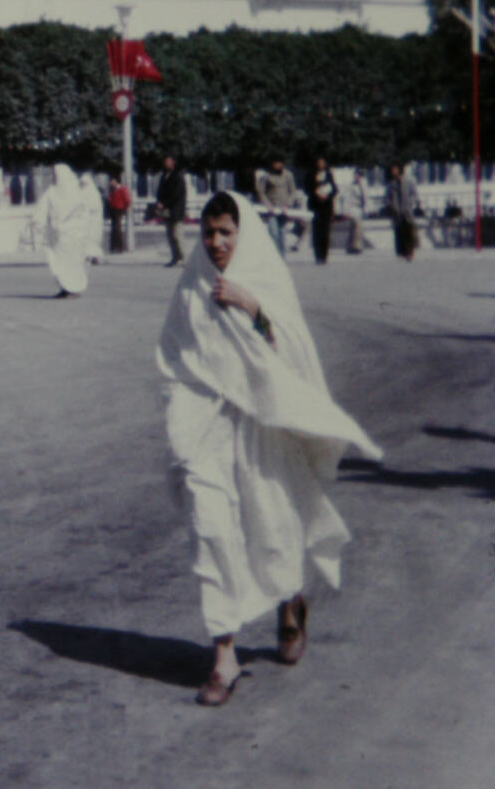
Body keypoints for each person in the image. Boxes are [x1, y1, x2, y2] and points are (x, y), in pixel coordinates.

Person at [157, 192, 381, 707]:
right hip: (207, 428)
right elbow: (172, 351)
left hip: (261, 429)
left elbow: (293, 350)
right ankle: (224, 657)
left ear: (243, 233)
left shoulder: (264, 278)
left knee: (271, 526)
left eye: (226, 233)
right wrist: (181, 415)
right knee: (212, 528)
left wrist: (253, 306)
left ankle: (290, 601)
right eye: (209, 233)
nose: (215, 243)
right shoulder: (191, 282)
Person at [40, 164, 94, 296]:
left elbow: (83, 212)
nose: (53, 177)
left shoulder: (75, 191)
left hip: (73, 234)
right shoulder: (52, 191)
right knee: (59, 263)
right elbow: (42, 208)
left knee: (73, 263)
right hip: (58, 235)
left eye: (55, 174)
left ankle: (74, 288)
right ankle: (65, 287)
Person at [255, 157, 299, 256]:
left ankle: (282, 256)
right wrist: (267, 204)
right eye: (275, 163)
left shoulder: (288, 175)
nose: (277, 165)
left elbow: (293, 192)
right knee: (274, 233)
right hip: (271, 210)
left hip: (284, 210)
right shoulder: (266, 176)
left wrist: (288, 204)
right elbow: (261, 192)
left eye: (279, 163)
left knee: (282, 233)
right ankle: (275, 256)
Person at [156, 155, 188, 267]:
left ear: (173, 163)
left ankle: (184, 257)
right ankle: (175, 257)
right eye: (165, 162)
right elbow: (160, 191)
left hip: (176, 210)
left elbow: (177, 194)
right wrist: (159, 202)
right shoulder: (164, 175)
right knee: (170, 235)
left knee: (177, 234)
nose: (166, 164)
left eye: (168, 162)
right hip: (167, 210)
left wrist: (164, 203)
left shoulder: (178, 176)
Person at [306, 157, 338, 264]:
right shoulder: (311, 174)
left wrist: (327, 195)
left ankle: (324, 255)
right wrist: (316, 193)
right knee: (316, 231)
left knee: (325, 232)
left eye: (322, 163)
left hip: (326, 206)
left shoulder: (328, 174)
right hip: (315, 206)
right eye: (319, 163)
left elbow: (335, 189)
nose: (320, 164)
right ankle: (318, 255)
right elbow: (307, 189)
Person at [385, 164, 418, 260]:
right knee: (399, 231)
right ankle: (400, 251)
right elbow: (387, 197)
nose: (393, 172)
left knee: (408, 231)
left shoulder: (408, 182)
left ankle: (409, 252)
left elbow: (414, 194)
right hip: (397, 211)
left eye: (395, 170)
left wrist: (410, 204)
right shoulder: (391, 184)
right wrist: (391, 205)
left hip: (407, 211)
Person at [345, 170, 369, 254]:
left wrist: (366, 209)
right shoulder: (351, 185)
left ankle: (352, 246)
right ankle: (355, 246)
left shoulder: (364, 184)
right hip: (353, 207)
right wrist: (346, 210)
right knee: (356, 225)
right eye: (355, 175)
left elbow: (366, 197)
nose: (356, 177)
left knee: (357, 228)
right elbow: (347, 197)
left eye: (357, 175)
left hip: (360, 208)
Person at [106, 176, 132, 255]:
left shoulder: (122, 189)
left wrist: (126, 208)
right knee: (114, 229)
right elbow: (110, 199)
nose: (111, 184)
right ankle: (113, 247)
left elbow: (127, 200)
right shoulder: (112, 190)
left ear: (116, 181)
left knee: (118, 228)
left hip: (119, 209)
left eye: (112, 182)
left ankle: (120, 247)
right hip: (113, 210)